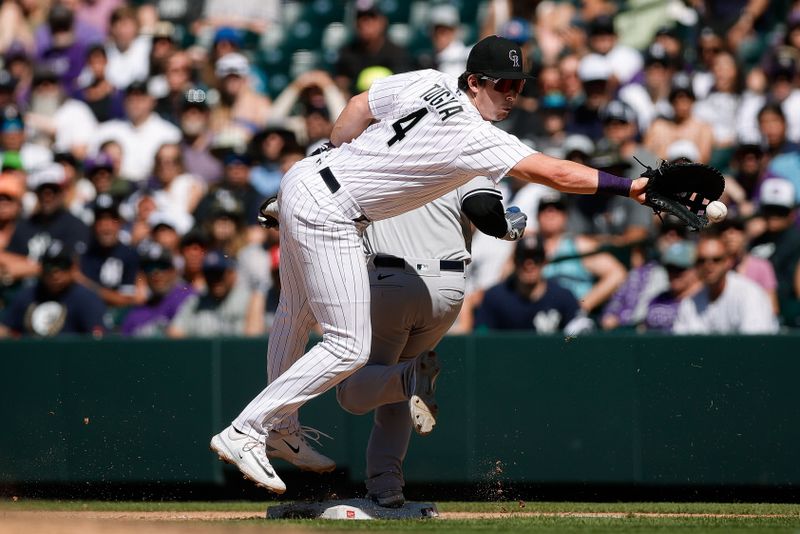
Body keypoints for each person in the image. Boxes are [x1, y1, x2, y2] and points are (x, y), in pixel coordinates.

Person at [209, 35, 650, 495]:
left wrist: (338, 153)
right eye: (504, 84)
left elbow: (360, 105)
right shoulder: (474, 134)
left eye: (519, 85)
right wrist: (629, 186)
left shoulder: (429, 79)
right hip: (335, 211)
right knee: (348, 348)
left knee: (295, 316)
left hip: (306, 178)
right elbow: (556, 173)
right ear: (476, 82)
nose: (513, 94)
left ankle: (281, 427)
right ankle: (248, 428)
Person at [333, 175, 526, 507]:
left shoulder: (380, 154)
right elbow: (482, 208)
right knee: (393, 391)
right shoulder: (464, 157)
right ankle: (386, 484)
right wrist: (508, 227)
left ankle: (409, 377)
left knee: (352, 392)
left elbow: (327, 198)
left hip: (390, 279)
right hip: (448, 288)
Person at [673, 234, 778, 334]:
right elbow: (683, 346)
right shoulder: (690, 303)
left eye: (716, 260)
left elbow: (754, 345)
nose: (708, 266)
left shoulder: (750, 295)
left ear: (728, 261)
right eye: (701, 261)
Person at [474, 236, 582, 333]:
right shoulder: (495, 298)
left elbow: (580, 334)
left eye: (536, 258)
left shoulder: (562, 297)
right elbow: (482, 340)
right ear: (515, 261)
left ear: (545, 261)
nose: (529, 265)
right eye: (523, 258)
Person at [0, 242, 106, 337]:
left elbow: (97, 339)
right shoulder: (27, 295)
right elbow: (5, 329)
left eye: (62, 265)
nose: (55, 273)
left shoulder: (87, 299)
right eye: (49, 266)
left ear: (73, 268)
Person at [121, 242, 195, 337]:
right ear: (143, 274)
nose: (156, 272)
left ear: (173, 271)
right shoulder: (135, 314)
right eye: (149, 267)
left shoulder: (189, 298)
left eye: (162, 266)